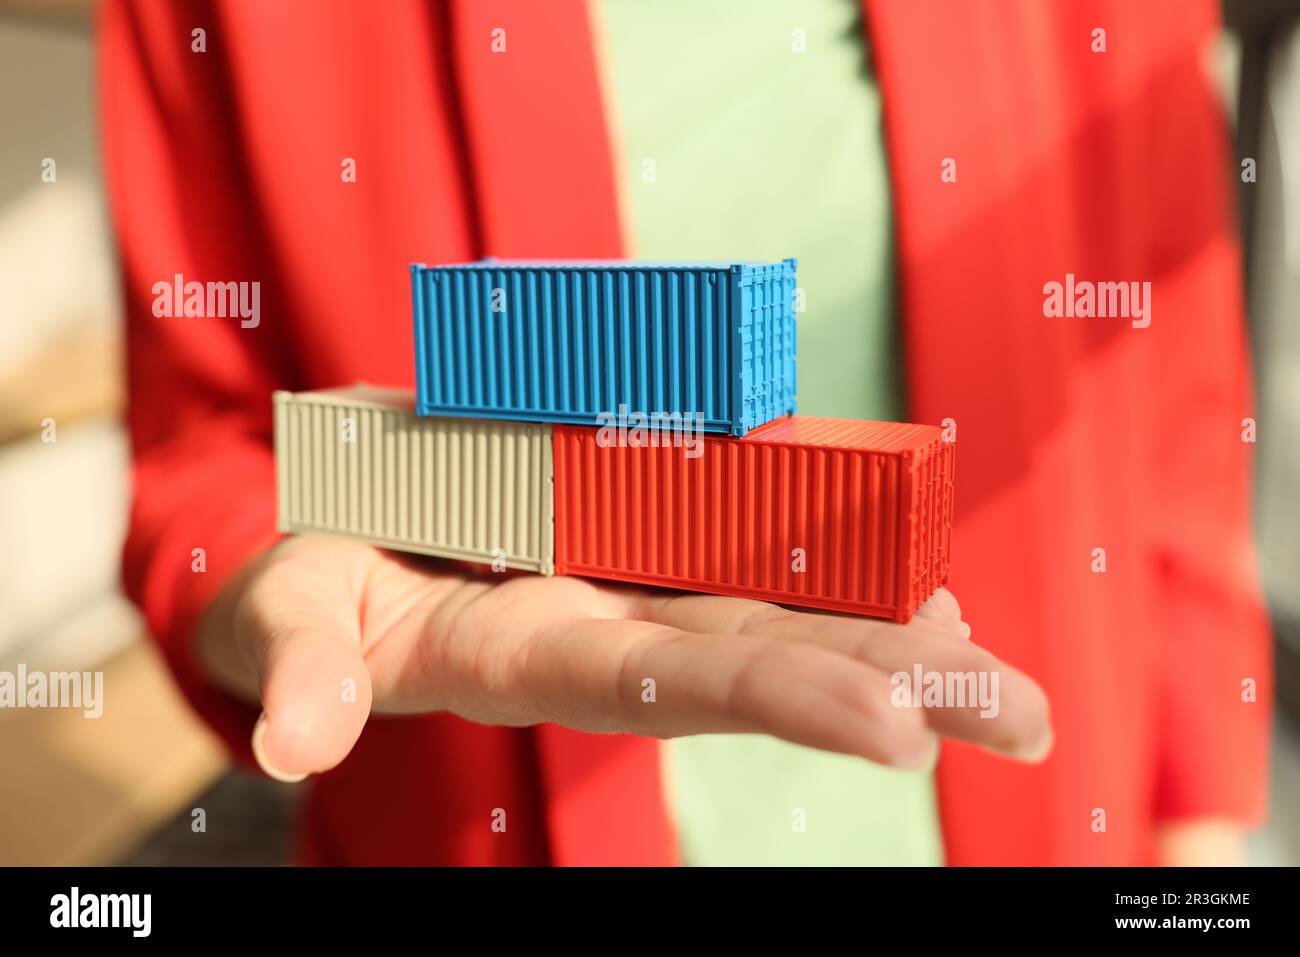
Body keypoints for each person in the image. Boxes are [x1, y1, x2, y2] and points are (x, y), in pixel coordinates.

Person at [101, 0, 1267, 865]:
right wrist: (269, 584)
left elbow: (1177, 378)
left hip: (1052, 809)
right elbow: (199, 457)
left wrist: (1201, 844)